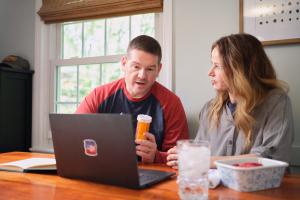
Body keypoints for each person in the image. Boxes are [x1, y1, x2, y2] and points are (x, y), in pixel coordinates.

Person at [167, 33, 294, 169]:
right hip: (216, 188)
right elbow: (200, 154)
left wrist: (206, 161)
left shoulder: (276, 102)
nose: (210, 72)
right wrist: (186, 154)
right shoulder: (209, 109)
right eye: (212, 64)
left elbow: (271, 158)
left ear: (240, 70)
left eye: (217, 66)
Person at [76, 35, 189, 164]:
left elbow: (178, 157)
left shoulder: (171, 103)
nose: (142, 76)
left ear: (159, 70)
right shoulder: (99, 95)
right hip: (104, 167)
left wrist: (155, 156)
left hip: (152, 173)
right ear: (124, 64)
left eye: (150, 69)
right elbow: (74, 136)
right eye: (136, 67)